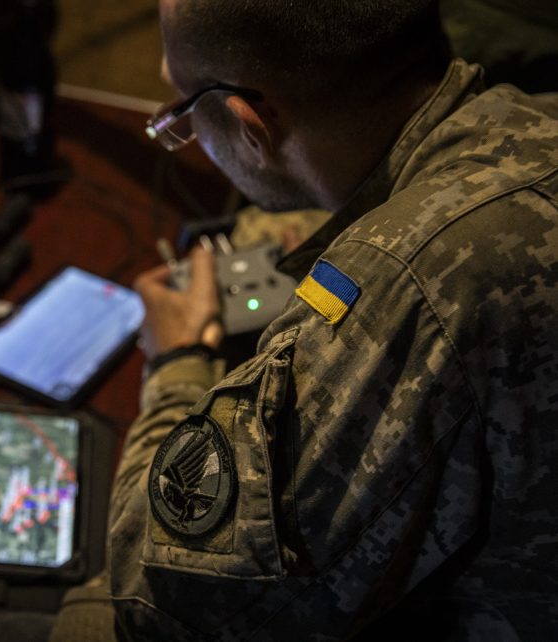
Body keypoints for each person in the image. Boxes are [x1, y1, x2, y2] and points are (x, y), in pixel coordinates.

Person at [50, 0, 558, 640]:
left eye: (183, 118)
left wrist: (177, 361)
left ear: (251, 126)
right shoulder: (537, 117)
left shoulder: (407, 278)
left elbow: (158, 595)